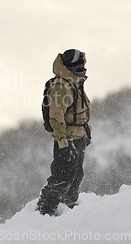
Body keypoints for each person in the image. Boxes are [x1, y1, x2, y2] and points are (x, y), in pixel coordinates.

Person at [36, 49, 92, 216]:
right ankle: (44, 213)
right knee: (62, 177)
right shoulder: (61, 86)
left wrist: (85, 133)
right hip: (68, 139)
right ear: (72, 66)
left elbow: (79, 111)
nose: (84, 67)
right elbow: (56, 116)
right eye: (80, 64)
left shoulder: (75, 82)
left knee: (76, 175)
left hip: (78, 137)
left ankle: (67, 209)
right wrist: (62, 143)